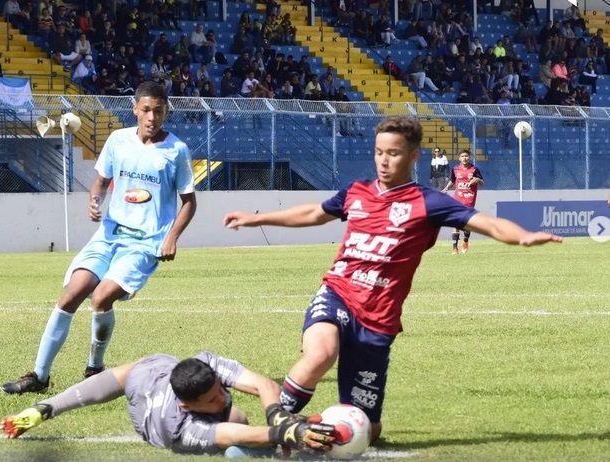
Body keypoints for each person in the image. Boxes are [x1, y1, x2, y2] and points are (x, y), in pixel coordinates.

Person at [223, 116, 562, 442]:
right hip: (338, 292)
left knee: (367, 431)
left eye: (394, 153)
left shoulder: (429, 203)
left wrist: (522, 236)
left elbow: (484, 222)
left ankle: (315, 426)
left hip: (379, 318)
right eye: (379, 152)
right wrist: (258, 219)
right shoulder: (356, 192)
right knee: (320, 354)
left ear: (413, 156)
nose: (383, 161)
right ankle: (274, 429)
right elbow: (314, 213)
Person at [1, 82, 198, 394]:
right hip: (108, 236)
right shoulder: (118, 140)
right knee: (70, 295)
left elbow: (189, 202)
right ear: (135, 109)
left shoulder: (176, 151)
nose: (151, 117)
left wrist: (171, 237)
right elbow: (101, 182)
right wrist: (95, 200)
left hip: (145, 244)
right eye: (146, 110)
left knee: (101, 297)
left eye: (158, 111)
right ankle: (39, 375)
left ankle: (95, 367)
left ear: (166, 112)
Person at [0, 351, 335, 456]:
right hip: (152, 421)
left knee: (245, 414)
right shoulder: (175, 427)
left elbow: (263, 384)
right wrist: (284, 435)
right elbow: (232, 435)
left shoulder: (186, 364)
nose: (221, 395)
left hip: (154, 371)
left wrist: (279, 416)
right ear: (189, 406)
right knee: (239, 426)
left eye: (220, 389)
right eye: (211, 399)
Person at [441, 149, 484, 254]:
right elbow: (452, 180)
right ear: (459, 158)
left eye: (466, 156)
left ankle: (465, 240)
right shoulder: (455, 169)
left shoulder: (474, 169)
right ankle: (454, 248)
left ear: (469, 157)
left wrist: (477, 180)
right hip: (458, 198)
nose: (465, 158)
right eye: (462, 156)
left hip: (469, 199)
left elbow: (482, 182)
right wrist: (446, 188)